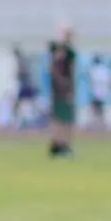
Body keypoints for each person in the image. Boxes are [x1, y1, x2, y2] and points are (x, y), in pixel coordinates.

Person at [47, 29, 77, 158]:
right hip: (61, 93)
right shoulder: (59, 55)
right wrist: (65, 87)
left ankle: (60, 144)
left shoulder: (67, 55)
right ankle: (59, 145)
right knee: (61, 120)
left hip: (62, 91)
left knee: (63, 119)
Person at [88, 54, 111, 127]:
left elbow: (91, 80)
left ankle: (96, 122)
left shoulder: (94, 70)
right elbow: (109, 80)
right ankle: (101, 122)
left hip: (96, 91)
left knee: (95, 108)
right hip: (103, 91)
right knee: (100, 108)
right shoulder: (105, 69)